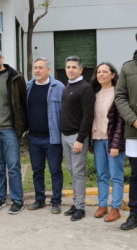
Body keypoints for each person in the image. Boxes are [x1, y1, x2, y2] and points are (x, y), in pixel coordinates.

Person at [0, 48, 27, 214]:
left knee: (14, 166)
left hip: (10, 129)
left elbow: (23, 103)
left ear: (2, 58)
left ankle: (17, 200)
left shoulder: (15, 77)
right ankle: (0, 198)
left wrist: (21, 128)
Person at [26, 57, 65, 214]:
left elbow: (65, 113)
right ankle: (39, 199)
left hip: (52, 138)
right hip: (34, 137)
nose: (37, 70)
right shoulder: (28, 86)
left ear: (48, 70)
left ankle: (56, 201)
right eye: (35, 67)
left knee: (55, 171)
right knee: (37, 171)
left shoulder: (58, 87)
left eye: (40, 67)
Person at [61, 56, 95, 221]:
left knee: (79, 173)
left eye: (74, 67)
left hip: (77, 137)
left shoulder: (85, 88)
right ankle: (76, 203)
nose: (70, 70)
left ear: (81, 70)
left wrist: (80, 139)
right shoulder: (69, 85)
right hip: (65, 136)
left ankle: (80, 208)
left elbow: (88, 116)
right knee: (72, 172)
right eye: (68, 67)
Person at [90, 62, 125, 222]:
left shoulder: (119, 93)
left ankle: (115, 208)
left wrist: (116, 144)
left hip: (113, 141)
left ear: (113, 74)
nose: (101, 74)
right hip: (98, 140)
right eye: (99, 72)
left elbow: (120, 122)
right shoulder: (94, 93)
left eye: (105, 72)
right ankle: (102, 205)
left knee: (116, 176)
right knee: (102, 175)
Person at [115, 33, 137, 230]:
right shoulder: (128, 68)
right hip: (135, 132)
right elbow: (120, 96)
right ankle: (134, 214)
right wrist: (133, 119)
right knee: (136, 175)